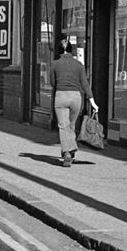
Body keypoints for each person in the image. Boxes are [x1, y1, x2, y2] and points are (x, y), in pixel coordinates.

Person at [50, 37, 98, 168]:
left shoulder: (54, 64)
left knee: (63, 126)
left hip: (61, 96)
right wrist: (92, 102)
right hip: (76, 97)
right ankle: (70, 150)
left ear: (59, 51)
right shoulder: (79, 65)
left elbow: (52, 83)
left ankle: (67, 153)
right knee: (71, 125)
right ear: (71, 50)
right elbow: (85, 84)